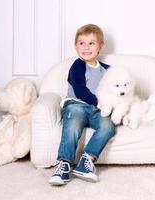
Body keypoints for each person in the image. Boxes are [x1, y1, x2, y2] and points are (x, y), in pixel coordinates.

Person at [48, 24, 115, 186]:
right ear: (75, 46)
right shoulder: (78, 65)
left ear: (101, 46)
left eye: (91, 43)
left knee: (108, 127)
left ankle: (87, 160)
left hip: (96, 111)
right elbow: (79, 90)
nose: (86, 47)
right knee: (73, 126)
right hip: (76, 105)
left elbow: (119, 86)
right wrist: (101, 103)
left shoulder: (108, 70)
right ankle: (63, 164)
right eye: (81, 43)